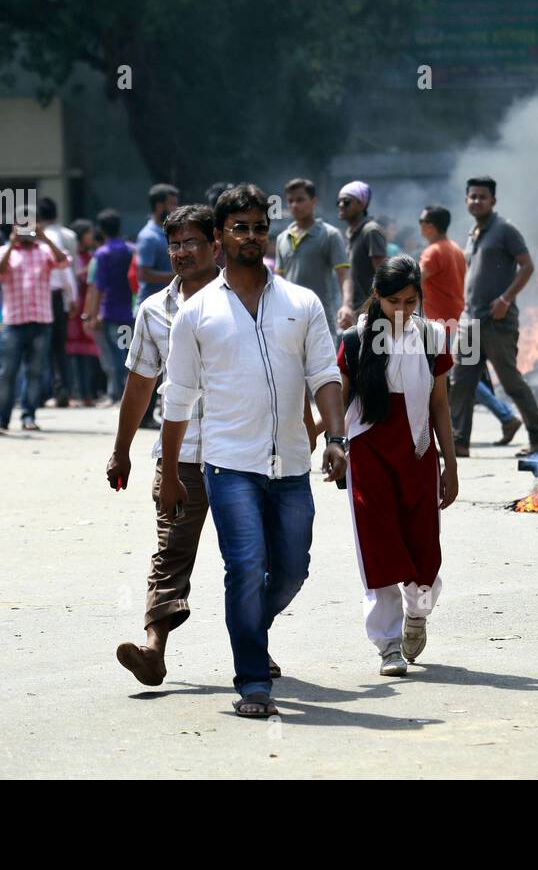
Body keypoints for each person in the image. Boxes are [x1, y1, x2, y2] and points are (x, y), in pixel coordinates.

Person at [159, 183, 346, 719]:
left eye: (259, 226)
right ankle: (253, 681)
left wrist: (336, 438)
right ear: (219, 237)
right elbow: (178, 398)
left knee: (291, 570)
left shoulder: (302, 302)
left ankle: (249, 630)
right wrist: (171, 473)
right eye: (239, 227)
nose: (251, 236)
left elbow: (324, 376)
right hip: (227, 465)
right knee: (245, 567)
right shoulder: (196, 314)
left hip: (291, 463)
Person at [109, 204, 221, 686]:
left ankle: (256, 644)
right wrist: (121, 449)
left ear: (216, 243)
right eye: (174, 244)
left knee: (253, 556)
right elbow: (140, 383)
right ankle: (153, 649)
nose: (181, 252)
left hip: (245, 452)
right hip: (180, 457)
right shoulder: (154, 310)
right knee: (170, 549)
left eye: (191, 241)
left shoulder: (242, 296)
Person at [338, 256, 458, 675]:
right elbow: (339, 400)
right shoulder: (355, 341)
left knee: (424, 549)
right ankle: (387, 644)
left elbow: (440, 404)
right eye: (393, 302)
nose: (402, 311)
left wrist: (451, 466)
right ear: (376, 297)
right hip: (368, 452)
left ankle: (418, 614)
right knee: (379, 547)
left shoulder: (431, 337)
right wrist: (331, 443)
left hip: (419, 452)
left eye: (411, 301)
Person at [449, 175, 538, 457]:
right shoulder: (474, 233)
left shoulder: (505, 229)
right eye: (473, 196)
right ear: (466, 200)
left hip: (497, 322)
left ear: (493, 200)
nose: (477, 201)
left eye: (483, 196)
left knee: (510, 382)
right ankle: (458, 442)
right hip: (470, 322)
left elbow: (528, 266)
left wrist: (506, 299)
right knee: (461, 381)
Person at [419, 204, 521, 447]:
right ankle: (504, 417)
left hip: (441, 325)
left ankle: (502, 417)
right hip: (460, 319)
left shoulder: (432, 252)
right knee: (463, 377)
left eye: (422, 222)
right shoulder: (455, 248)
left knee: (453, 376)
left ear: (431, 226)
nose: (420, 226)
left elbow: (413, 281)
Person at [0, 206, 68, 430]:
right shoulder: (5, 251)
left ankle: (28, 416)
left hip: (41, 322)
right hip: (14, 323)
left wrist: (45, 239)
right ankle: (2, 419)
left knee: (35, 373)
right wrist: (11, 243)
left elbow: (64, 262)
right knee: (7, 373)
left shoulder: (44, 251)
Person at [274, 178, 351, 339]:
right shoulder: (282, 238)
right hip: (288, 320)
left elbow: (344, 275)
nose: (295, 205)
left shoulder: (330, 235)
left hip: (320, 317)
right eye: (290, 201)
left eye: (300, 200)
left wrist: (346, 305)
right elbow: (278, 281)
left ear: (313, 201)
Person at [85, 209, 135, 404]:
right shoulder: (132, 250)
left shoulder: (102, 253)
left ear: (102, 230)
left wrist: (93, 314)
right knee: (128, 352)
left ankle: (118, 394)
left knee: (114, 356)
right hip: (129, 311)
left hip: (110, 312)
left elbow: (98, 287)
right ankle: (127, 393)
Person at [38, 197, 78, 408]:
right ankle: (64, 390)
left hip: (45, 294)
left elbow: (60, 267)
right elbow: (70, 269)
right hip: (61, 296)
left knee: (43, 346)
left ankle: (48, 391)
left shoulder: (43, 237)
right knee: (60, 347)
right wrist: (72, 297)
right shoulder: (70, 235)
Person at [336, 180, 386, 328]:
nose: (340, 205)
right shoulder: (350, 234)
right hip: (354, 313)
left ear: (361, 204)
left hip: (370, 315)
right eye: (338, 202)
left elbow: (383, 275)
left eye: (346, 202)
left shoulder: (370, 231)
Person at [66, 222, 103, 405]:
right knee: (73, 353)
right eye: (88, 234)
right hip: (75, 307)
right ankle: (75, 393)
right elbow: (71, 276)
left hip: (87, 306)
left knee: (89, 354)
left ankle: (88, 394)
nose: (91, 237)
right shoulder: (75, 258)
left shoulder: (91, 256)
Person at [135, 183, 179, 303]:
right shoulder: (148, 237)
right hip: (151, 309)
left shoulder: (170, 232)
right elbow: (144, 274)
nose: (176, 208)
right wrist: (180, 276)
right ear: (159, 206)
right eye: (172, 204)